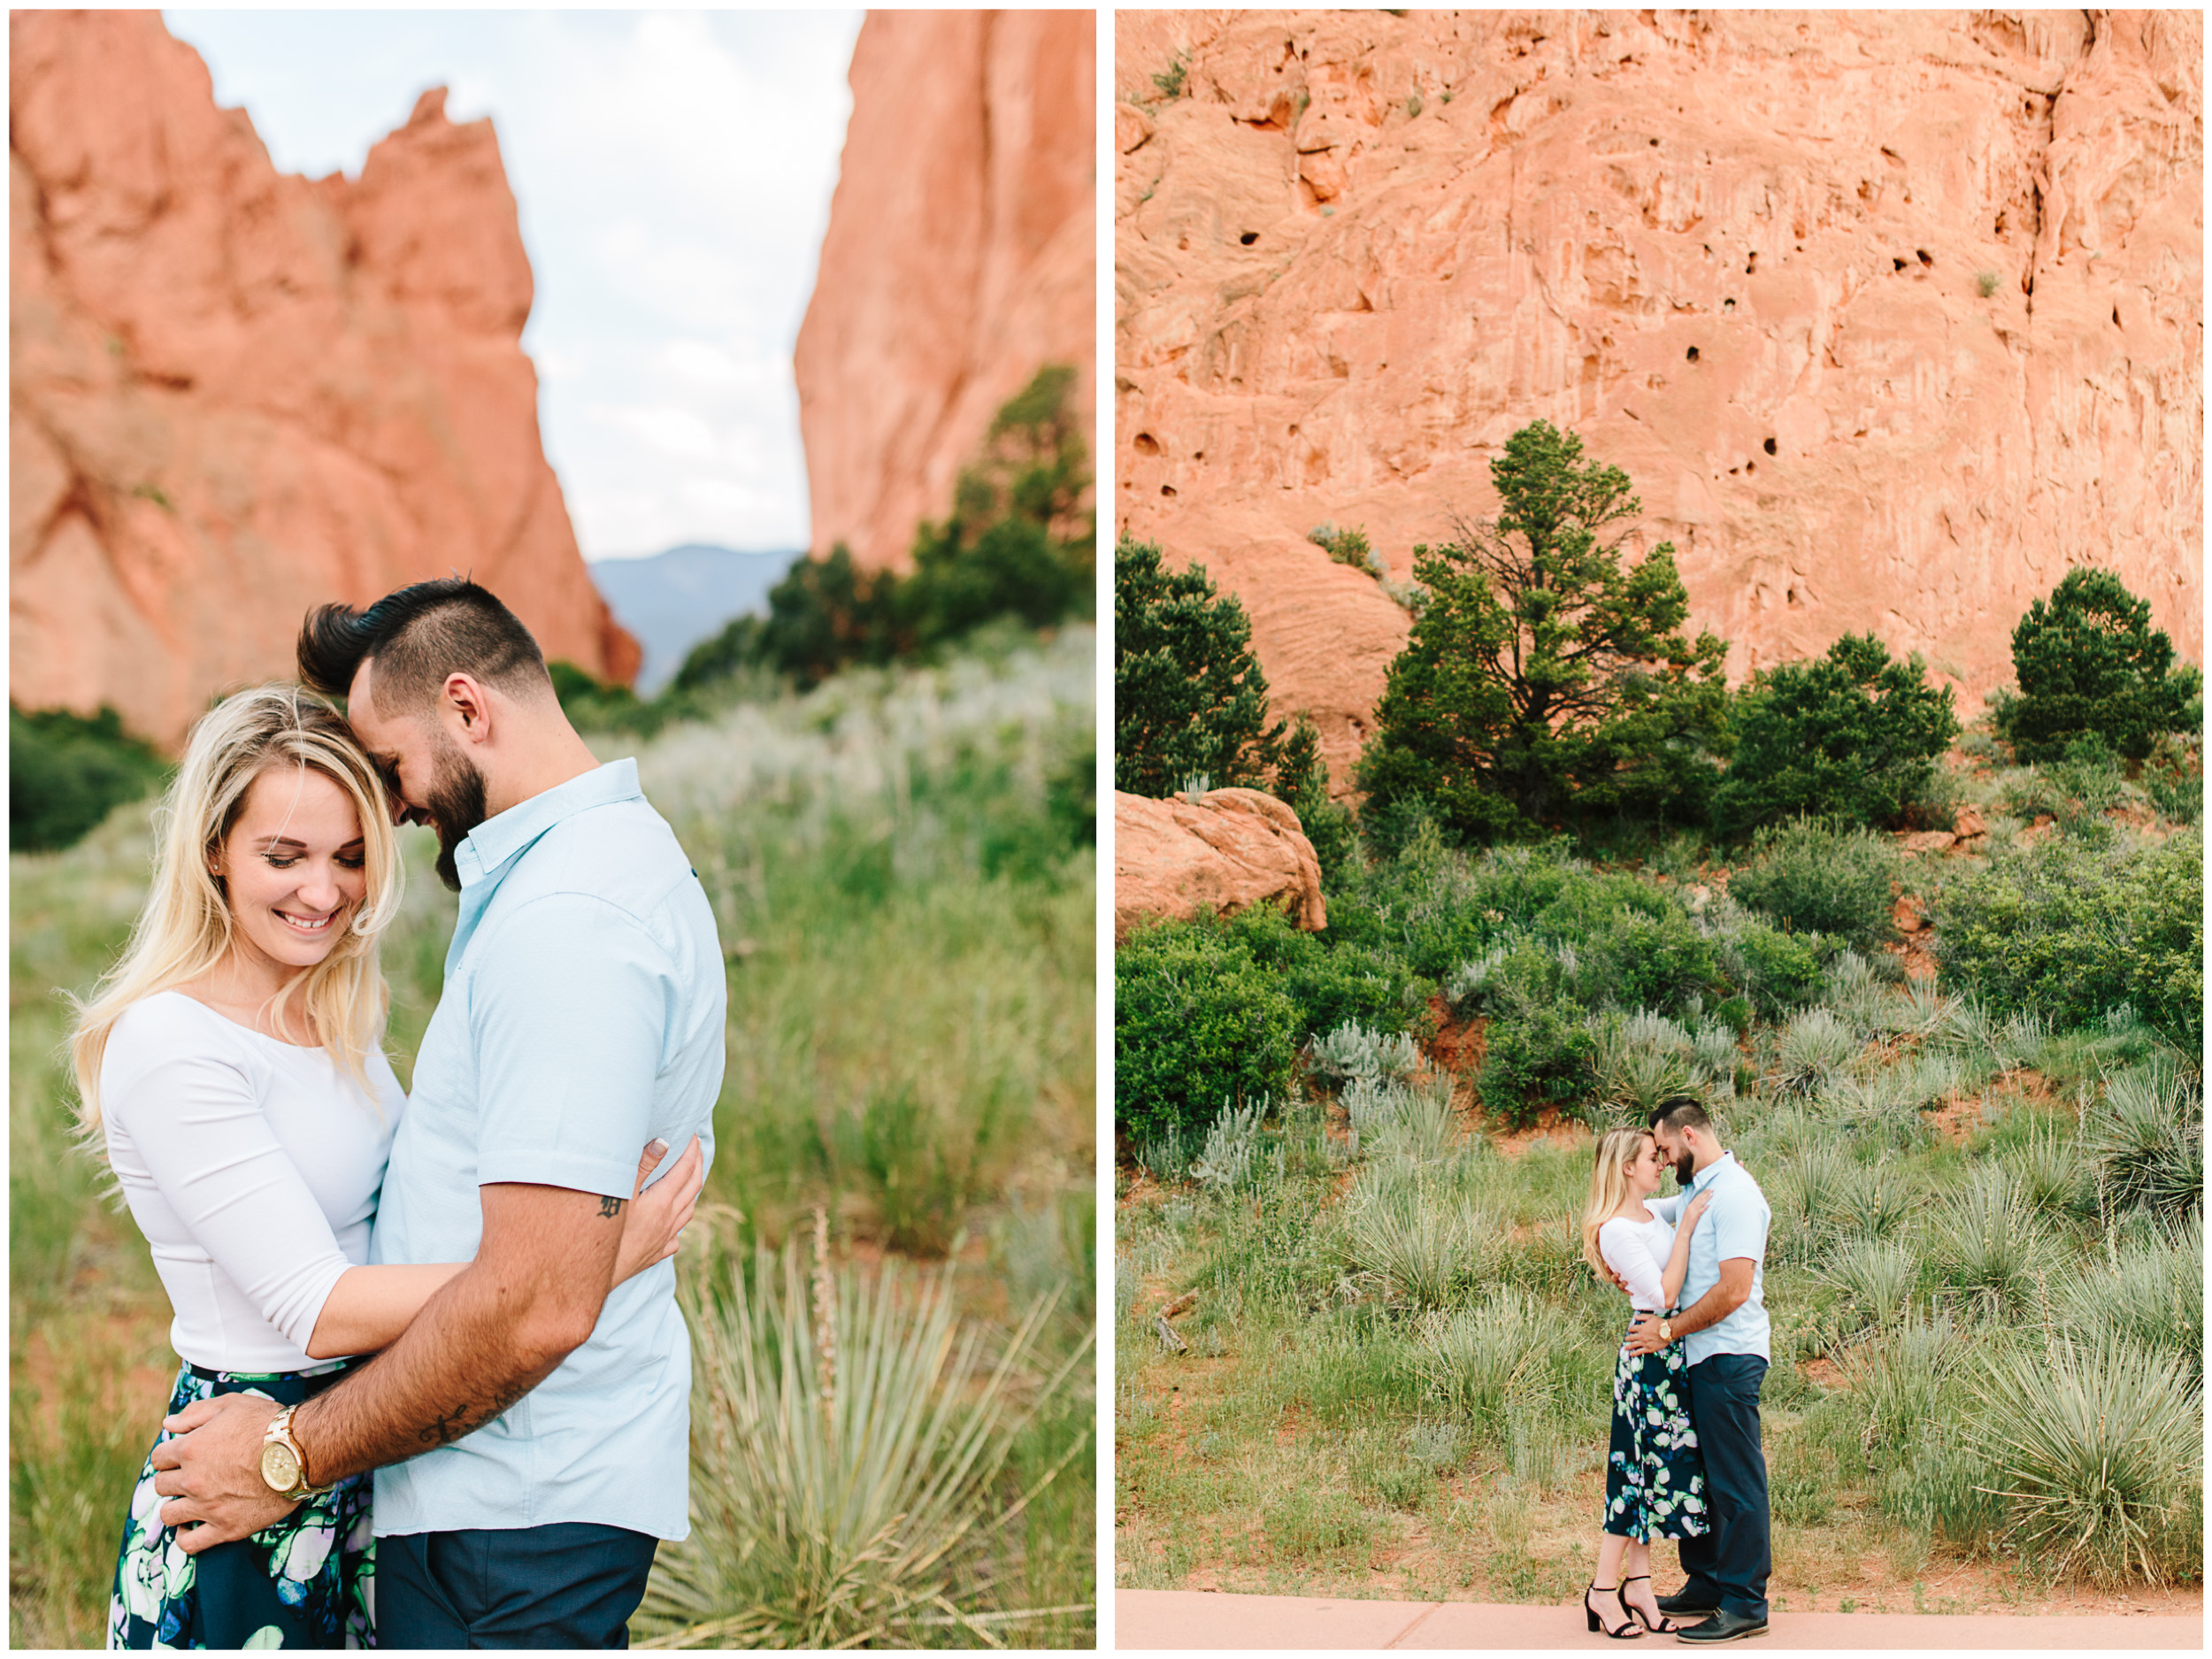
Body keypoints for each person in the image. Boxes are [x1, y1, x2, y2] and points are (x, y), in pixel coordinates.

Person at [148, 580, 728, 1648]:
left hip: (512, 1504)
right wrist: (599, 1257)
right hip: (478, 1490)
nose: (400, 807)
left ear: (467, 709)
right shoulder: (564, 882)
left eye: (393, 769)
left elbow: (535, 1302)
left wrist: (290, 1457)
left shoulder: (568, 919)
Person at [1626, 1099, 1774, 1644]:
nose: (1662, 1160)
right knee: (1706, 1478)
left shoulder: (1736, 1194)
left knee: (1737, 1483)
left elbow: (1734, 1290)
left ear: (1688, 1135)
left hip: (1729, 1355)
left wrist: (1669, 1330)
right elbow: (1643, 1215)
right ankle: (1708, 1582)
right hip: (1699, 1355)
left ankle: (1744, 1603)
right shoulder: (1695, 1190)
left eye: (1664, 1149)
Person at [1579, 1125, 1714, 1640]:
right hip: (1648, 1356)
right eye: (1651, 1157)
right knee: (1631, 1476)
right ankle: (1601, 1591)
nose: (1660, 1163)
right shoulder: (1617, 1228)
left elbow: (1693, 1198)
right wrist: (1683, 1234)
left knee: (1652, 1476)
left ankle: (1639, 1584)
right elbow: (1660, 1296)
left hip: (1670, 1351)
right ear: (1625, 1169)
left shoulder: (1649, 1214)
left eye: (1660, 1155)